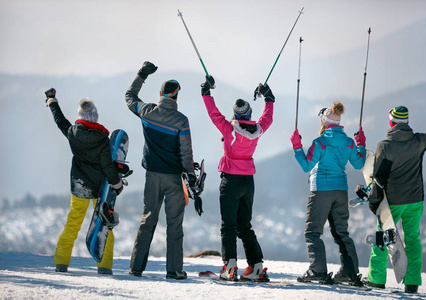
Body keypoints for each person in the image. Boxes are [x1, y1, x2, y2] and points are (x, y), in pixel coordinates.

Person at [126, 61, 201, 280]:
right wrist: (193, 180)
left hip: (152, 176)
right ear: (176, 96)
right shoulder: (181, 121)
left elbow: (130, 96)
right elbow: (186, 155)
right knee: (174, 224)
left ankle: (136, 268)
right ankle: (174, 270)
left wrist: (141, 74)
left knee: (147, 219)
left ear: (161, 94)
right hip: (174, 180)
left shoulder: (147, 111)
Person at [363, 106, 426, 294]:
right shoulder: (418, 141)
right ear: (407, 122)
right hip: (415, 200)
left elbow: (378, 178)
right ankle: (412, 281)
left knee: (383, 237)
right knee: (413, 239)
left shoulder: (384, 146)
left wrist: (374, 202)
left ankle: (376, 279)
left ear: (391, 122)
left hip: (392, 202)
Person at [200, 75, 274, 282]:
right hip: (248, 181)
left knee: (228, 226)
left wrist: (206, 92)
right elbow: (267, 118)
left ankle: (230, 266)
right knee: (245, 225)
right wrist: (269, 98)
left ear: (235, 114)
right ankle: (256, 266)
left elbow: (213, 114)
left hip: (230, 179)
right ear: (249, 114)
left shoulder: (229, 128)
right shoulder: (257, 130)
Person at [45, 88, 123, 275]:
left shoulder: (72, 132)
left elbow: (60, 121)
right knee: (104, 224)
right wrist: (116, 183)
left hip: (79, 185)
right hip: (99, 188)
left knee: (72, 224)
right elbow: (106, 164)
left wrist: (52, 101)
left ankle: (61, 263)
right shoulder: (103, 139)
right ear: (95, 117)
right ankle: (104, 266)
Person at [290, 101, 366, 285]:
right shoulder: (348, 142)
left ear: (324, 122)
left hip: (321, 190)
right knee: (341, 233)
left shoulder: (320, 142)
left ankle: (317, 270)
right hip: (341, 189)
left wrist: (297, 147)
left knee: (313, 232)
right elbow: (358, 164)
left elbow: (306, 165)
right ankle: (349, 272)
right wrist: (360, 144)